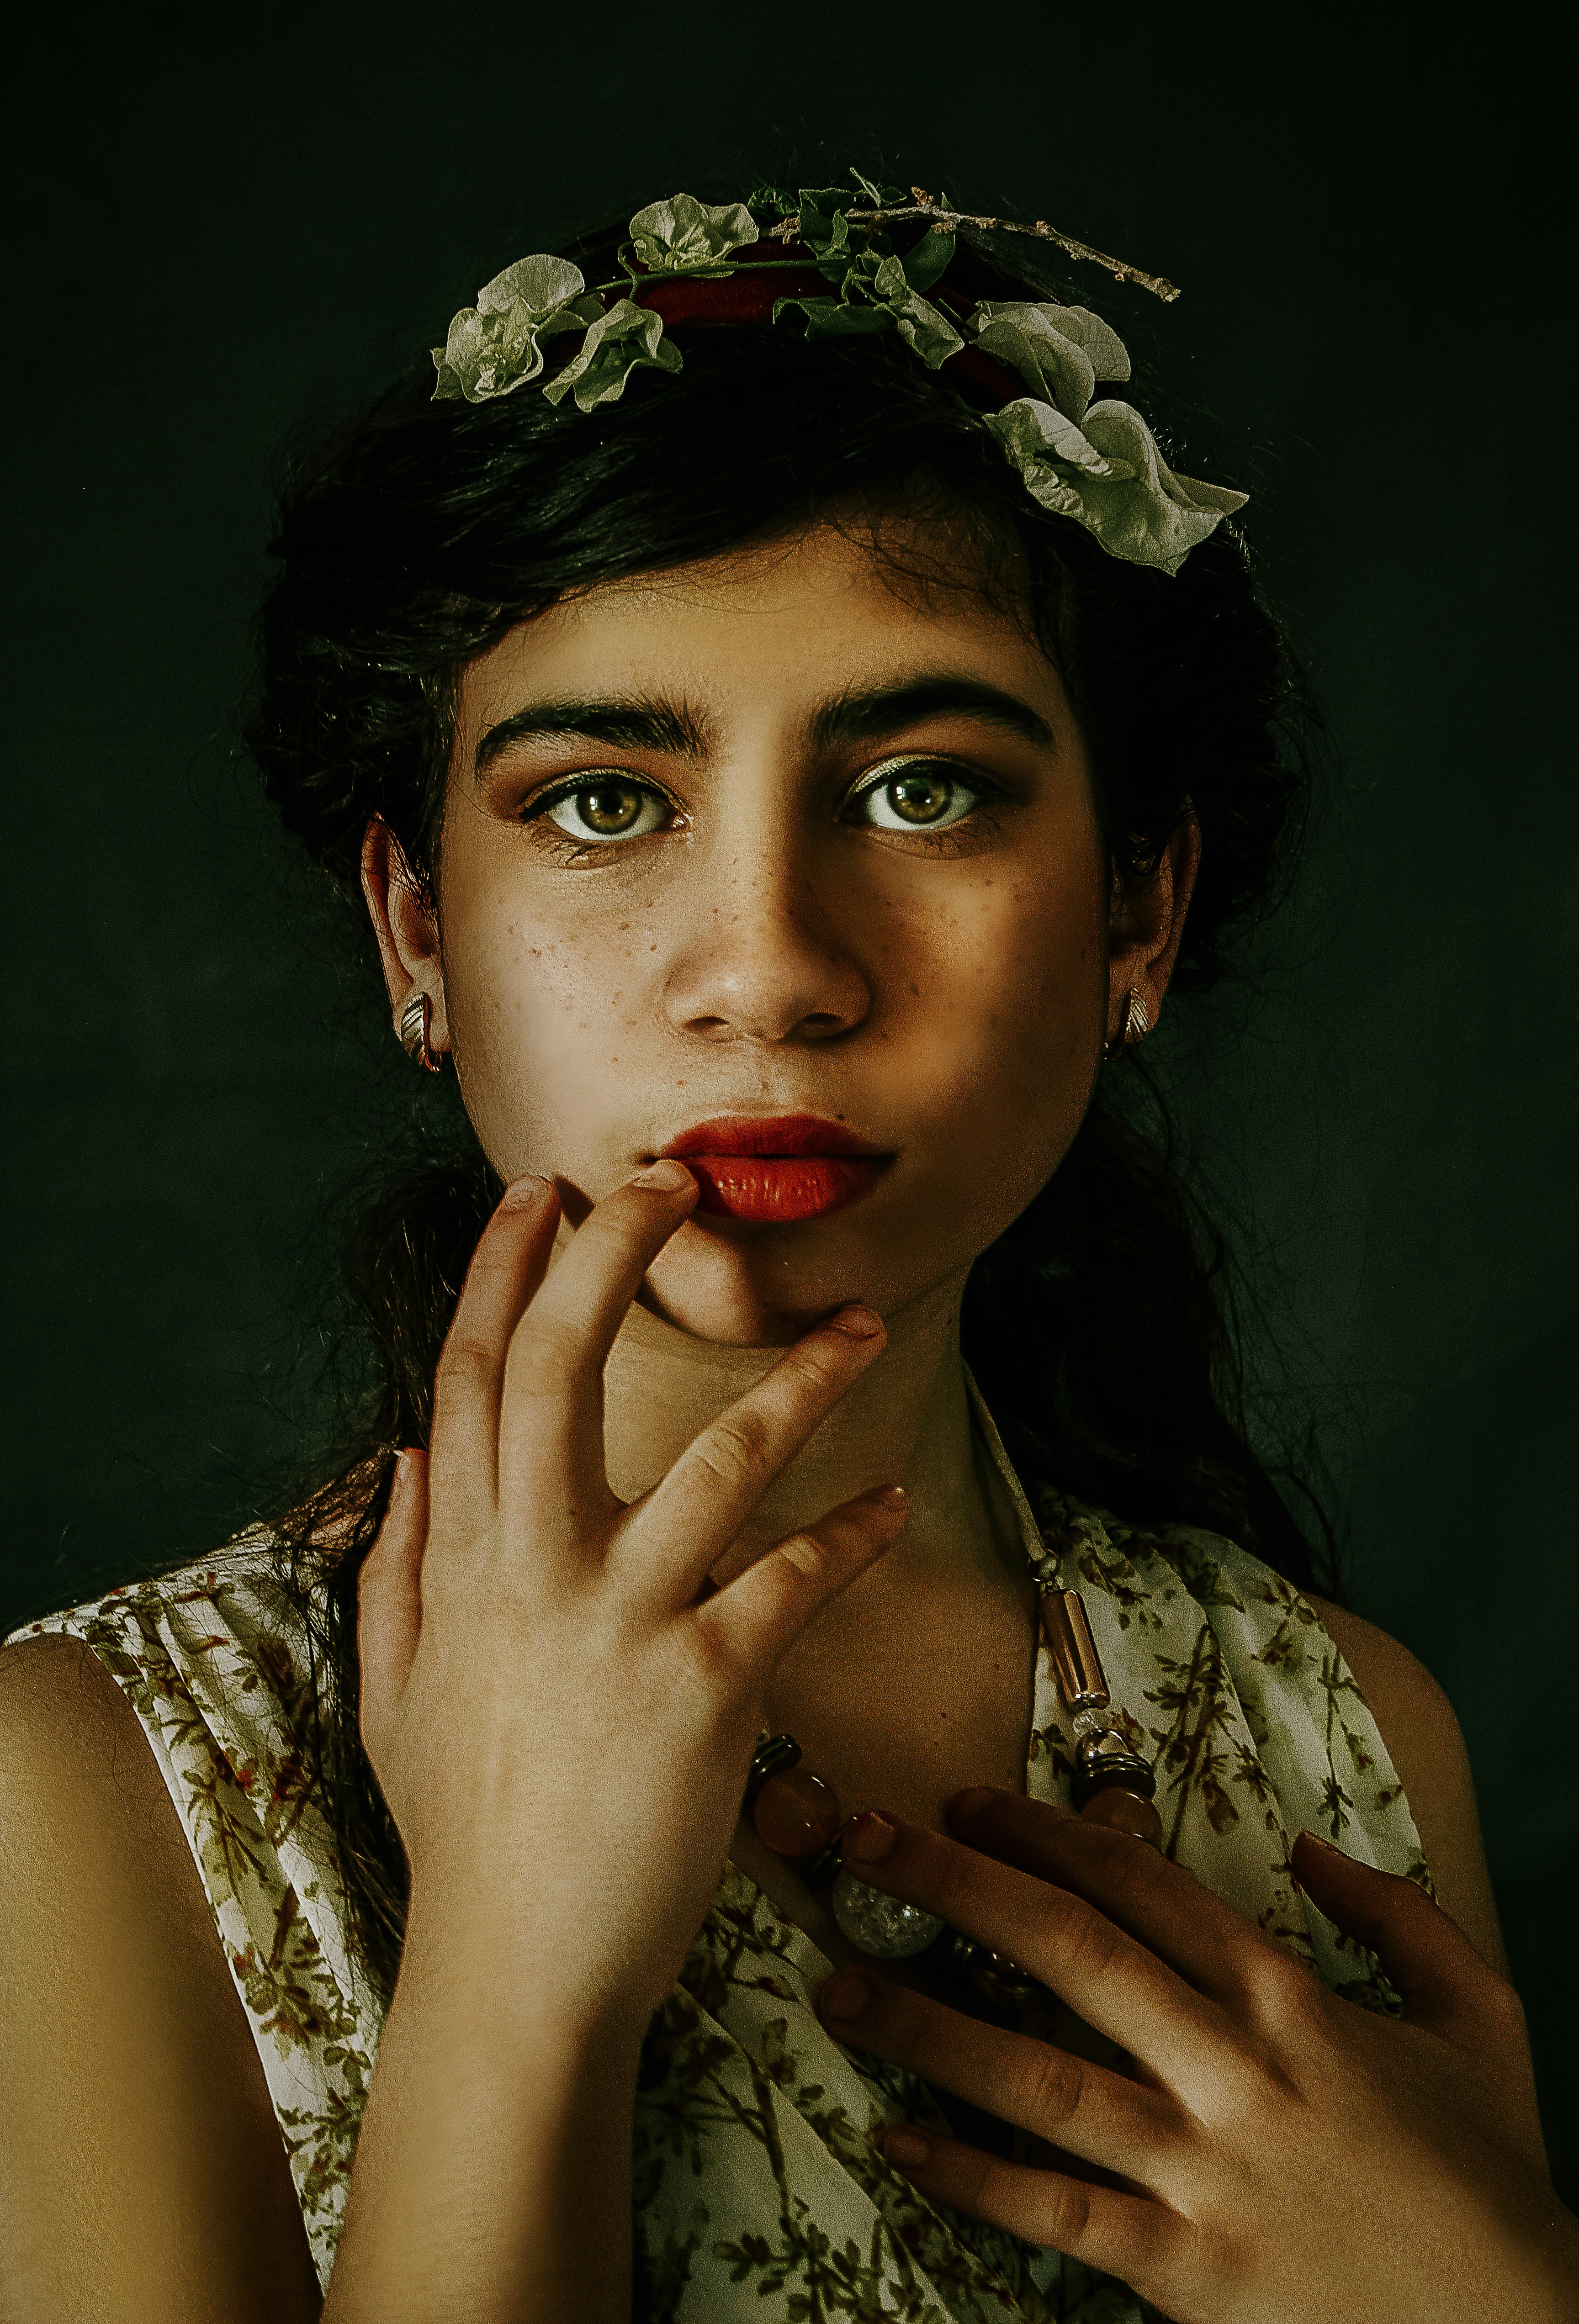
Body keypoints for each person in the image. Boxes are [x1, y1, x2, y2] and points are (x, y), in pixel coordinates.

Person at [1, 178, 1573, 2324]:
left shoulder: (1339, 1730)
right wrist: (517, 1971)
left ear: (1140, 916)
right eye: (601, 802)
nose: (769, 970)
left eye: (926, 790)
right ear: (415, 932)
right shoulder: (83, 1792)